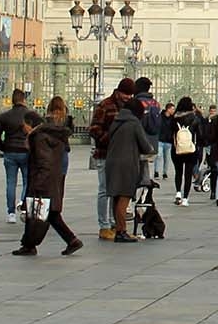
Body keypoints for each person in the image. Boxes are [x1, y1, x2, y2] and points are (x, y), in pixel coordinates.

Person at [14, 97, 83, 256]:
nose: (23, 129)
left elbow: (43, 161)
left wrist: (38, 182)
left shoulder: (39, 137)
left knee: (38, 212)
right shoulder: (56, 134)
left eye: (23, 126)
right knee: (49, 213)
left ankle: (31, 245)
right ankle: (67, 241)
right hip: (54, 177)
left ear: (29, 125)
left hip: (42, 179)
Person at [87, 77, 135, 238]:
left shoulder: (128, 107)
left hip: (120, 155)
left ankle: (115, 225)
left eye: (130, 95)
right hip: (104, 153)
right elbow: (94, 128)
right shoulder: (106, 105)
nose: (128, 97)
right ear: (119, 91)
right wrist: (109, 138)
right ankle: (104, 225)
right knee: (104, 189)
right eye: (126, 94)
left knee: (116, 190)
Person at [103, 97, 154, 242]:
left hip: (112, 162)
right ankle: (121, 231)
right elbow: (145, 145)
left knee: (116, 197)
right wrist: (150, 149)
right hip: (126, 164)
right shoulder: (134, 123)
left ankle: (118, 228)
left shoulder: (116, 121)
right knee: (124, 197)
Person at [0, 90, 33, 223]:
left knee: (11, 182)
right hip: (26, 152)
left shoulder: (5, 116)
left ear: (12, 100)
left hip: (10, 152)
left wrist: (3, 147)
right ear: (24, 100)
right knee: (27, 181)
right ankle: (24, 206)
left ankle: (11, 213)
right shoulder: (30, 116)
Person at [166, 96, 203, 205]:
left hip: (177, 148)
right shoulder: (195, 118)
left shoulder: (174, 118)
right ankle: (185, 198)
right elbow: (200, 134)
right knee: (188, 173)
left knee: (178, 172)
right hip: (191, 149)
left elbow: (169, 134)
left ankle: (178, 193)